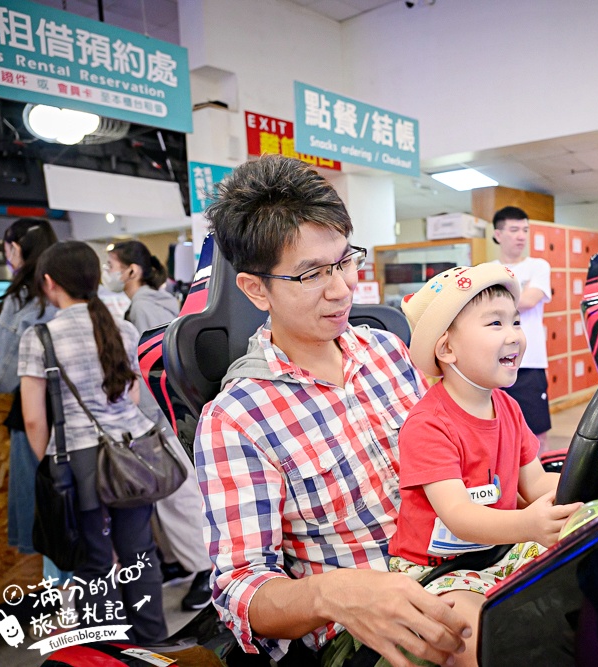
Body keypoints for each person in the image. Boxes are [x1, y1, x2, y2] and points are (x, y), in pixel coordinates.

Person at [195, 155, 470, 667]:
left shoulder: (388, 352)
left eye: (344, 261)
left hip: (463, 566)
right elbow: (240, 588)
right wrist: (332, 593)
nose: (343, 288)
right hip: (366, 632)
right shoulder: (237, 419)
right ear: (256, 288)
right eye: (311, 273)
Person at [389, 263, 582, 666]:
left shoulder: (508, 408)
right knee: (470, 635)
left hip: (499, 548)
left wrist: (583, 489)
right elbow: (459, 516)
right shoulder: (428, 425)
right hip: (438, 568)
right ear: (447, 349)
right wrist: (528, 523)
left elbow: (535, 483)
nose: (514, 335)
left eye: (515, 321)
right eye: (495, 323)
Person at [18, 241, 167, 644]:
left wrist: (49, 463)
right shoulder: (123, 328)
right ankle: (154, 645)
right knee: (139, 554)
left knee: (94, 565)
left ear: (49, 282)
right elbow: (133, 397)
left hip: (78, 462)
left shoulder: (40, 336)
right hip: (131, 456)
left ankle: (111, 651)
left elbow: (33, 419)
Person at [105, 240, 213, 611]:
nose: (108, 273)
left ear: (131, 271)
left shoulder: (144, 308)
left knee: (178, 500)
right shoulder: (159, 301)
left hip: (163, 419)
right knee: (178, 498)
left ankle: (205, 571)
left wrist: (149, 420)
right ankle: (189, 564)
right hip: (174, 414)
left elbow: (152, 366)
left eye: (111, 265)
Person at [0, 219, 65, 582]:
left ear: (15, 248)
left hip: (35, 420)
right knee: (73, 521)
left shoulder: (19, 300)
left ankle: (68, 609)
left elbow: (2, 379)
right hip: (81, 421)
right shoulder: (69, 289)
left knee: (49, 525)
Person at [490, 206, 553, 450]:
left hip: (529, 362)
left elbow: (528, 301)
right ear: (498, 234)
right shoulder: (487, 270)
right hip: (494, 361)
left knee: (536, 432)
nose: (521, 236)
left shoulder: (538, 266)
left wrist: (493, 302)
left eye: (525, 230)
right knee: (498, 432)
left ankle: (537, 475)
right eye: (514, 230)